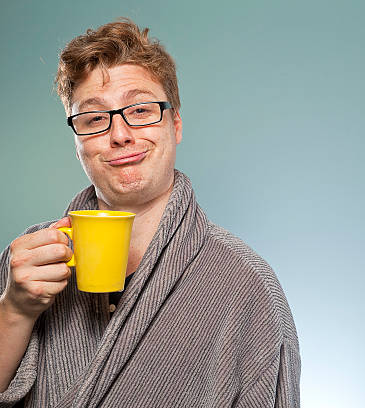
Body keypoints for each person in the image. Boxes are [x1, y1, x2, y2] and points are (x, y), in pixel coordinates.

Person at [0, 19, 300, 407]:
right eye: (94, 118)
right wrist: (14, 310)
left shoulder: (246, 287)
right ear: (77, 142)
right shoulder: (25, 264)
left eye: (140, 110)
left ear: (175, 124)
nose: (120, 134)